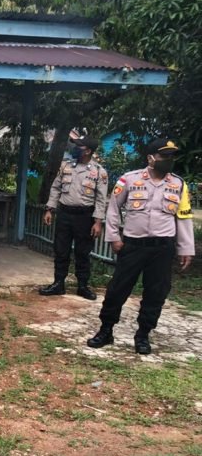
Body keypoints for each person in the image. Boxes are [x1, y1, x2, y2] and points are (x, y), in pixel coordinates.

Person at [86, 139, 195, 355]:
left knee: (156, 293)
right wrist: (114, 237)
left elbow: (183, 217)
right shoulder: (129, 179)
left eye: (172, 156)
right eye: (164, 156)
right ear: (151, 158)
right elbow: (114, 209)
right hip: (133, 246)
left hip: (162, 248)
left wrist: (186, 248)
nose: (169, 161)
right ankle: (106, 330)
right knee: (117, 289)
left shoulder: (178, 184)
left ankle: (143, 335)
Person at [39, 136, 109, 300]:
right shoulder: (66, 166)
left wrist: (98, 222)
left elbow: (101, 199)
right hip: (65, 214)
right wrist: (49, 209)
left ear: (88, 151)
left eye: (80, 146)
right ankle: (58, 284)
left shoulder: (99, 172)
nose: (75, 148)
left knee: (82, 252)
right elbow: (56, 188)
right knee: (60, 249)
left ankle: (83, 286)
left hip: (85, 217)